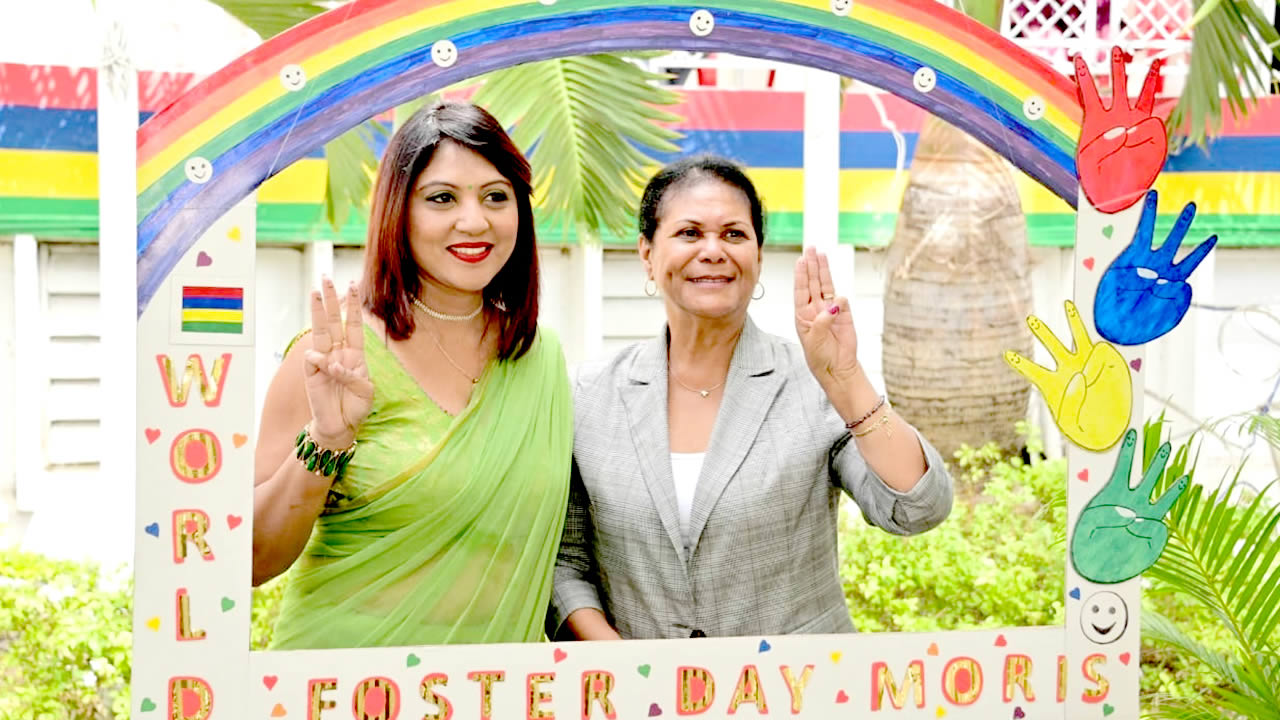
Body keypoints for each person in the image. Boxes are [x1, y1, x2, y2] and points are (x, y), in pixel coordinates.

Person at [551, 155, 954, 640]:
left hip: (802, 681)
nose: (713, 250)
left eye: (734, 234)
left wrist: (846, 379)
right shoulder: (589, 394)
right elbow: (565, 563)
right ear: (647, 253)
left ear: (758, 258)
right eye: (689, 233)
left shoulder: (813, 383)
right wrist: (622, 661)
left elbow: (918, 509)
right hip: (640, 683)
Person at [251, 102, 572, 649]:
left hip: (497, 684)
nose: (474, 221)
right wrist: (328, 437)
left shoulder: (540, 359)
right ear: (398, 211)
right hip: (345, 678)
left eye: (496, 196)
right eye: (442, 198)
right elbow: (252, 561)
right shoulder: (332, 358)